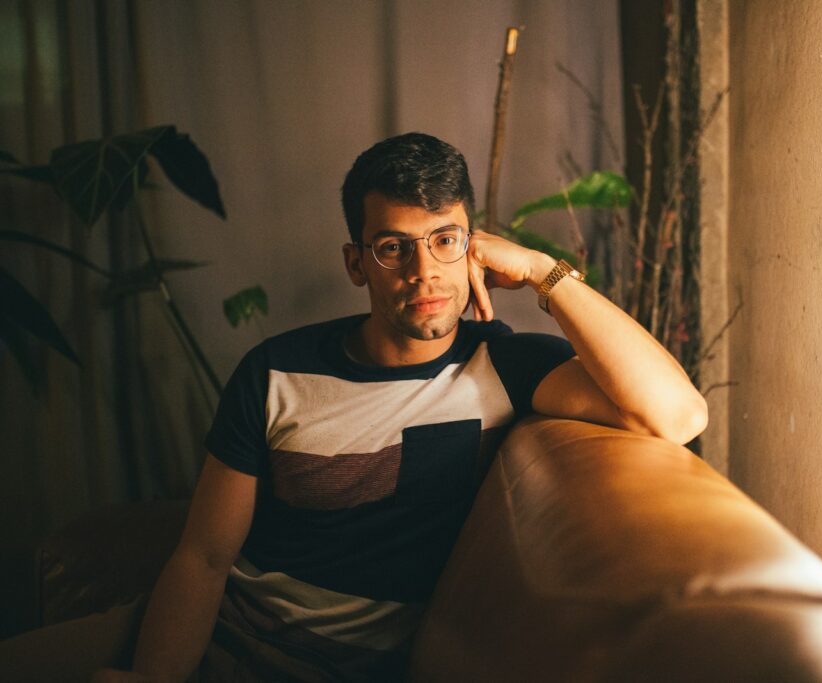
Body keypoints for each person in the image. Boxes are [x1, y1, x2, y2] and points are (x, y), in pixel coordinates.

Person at [87, 132, 707, 681]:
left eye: (445, 241)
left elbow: (677, 416)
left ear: (474, 248)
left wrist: (545, 272)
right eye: (393, 247)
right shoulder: (273, 372)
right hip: (228, 638)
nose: (424, 272)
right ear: (357, 264)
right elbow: (204, 557)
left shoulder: (506, 368)